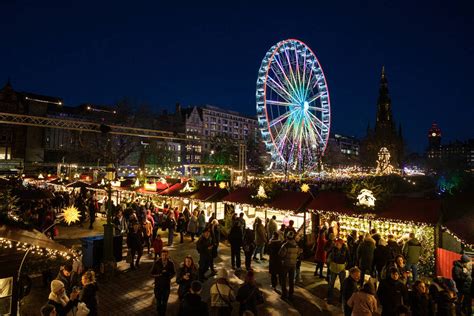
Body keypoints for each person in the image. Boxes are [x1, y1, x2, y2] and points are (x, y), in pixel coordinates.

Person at [151, 248, 176, 316]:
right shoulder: (157, 262)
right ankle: (159, 311)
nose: (164, 256)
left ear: (168, 255)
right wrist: (159, 274)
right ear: (161, 255)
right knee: (158, 301)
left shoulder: (170, 263)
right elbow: (151, 273)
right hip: (158, 286)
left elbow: (174, 273)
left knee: (165, 302)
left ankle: (163, 313)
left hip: (166, 286)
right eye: (163, 255)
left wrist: (169, 276)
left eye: (166, 255)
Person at [327, 239, 349, 303]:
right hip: (333, 268)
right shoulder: (333, 248)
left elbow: (349, 258)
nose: (336, 245)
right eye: (336, 243)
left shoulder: (345, 250)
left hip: (341, 268)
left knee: (342, 284)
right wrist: (329, 264)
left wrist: (346, 266)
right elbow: (328, 256)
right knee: (331, 284)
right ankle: (330, 298)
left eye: (338, 244)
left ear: (341, 244)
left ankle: (341, 298)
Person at [278, 230, 299, 300]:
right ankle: (291, 294)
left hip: (286, 264)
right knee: (291, 279)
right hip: (293, 264)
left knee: (283, 279)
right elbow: (298, 254)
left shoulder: (285, 245)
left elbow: (281, 254)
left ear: (287, 237)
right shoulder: (296, 245)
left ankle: (284, 294)